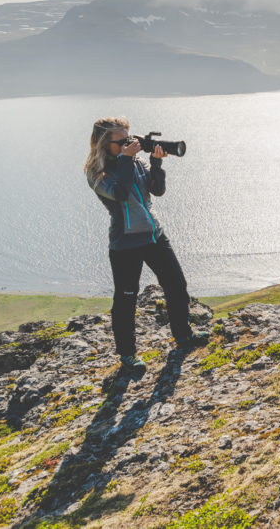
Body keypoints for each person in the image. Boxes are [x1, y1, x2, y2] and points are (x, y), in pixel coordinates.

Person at [84, 117, 208, 375]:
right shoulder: (97, 173)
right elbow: (119, 193)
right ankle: (128, 356)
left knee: (176, 284)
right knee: (126, 299)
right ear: (106, 144)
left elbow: (158, 191)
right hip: (125, 243)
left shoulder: (136, 162)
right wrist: (128, 159)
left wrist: (156, 162)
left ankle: (183, 335)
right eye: (124, 141)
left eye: (131, 138)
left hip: (154, 235)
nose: (131, 144)